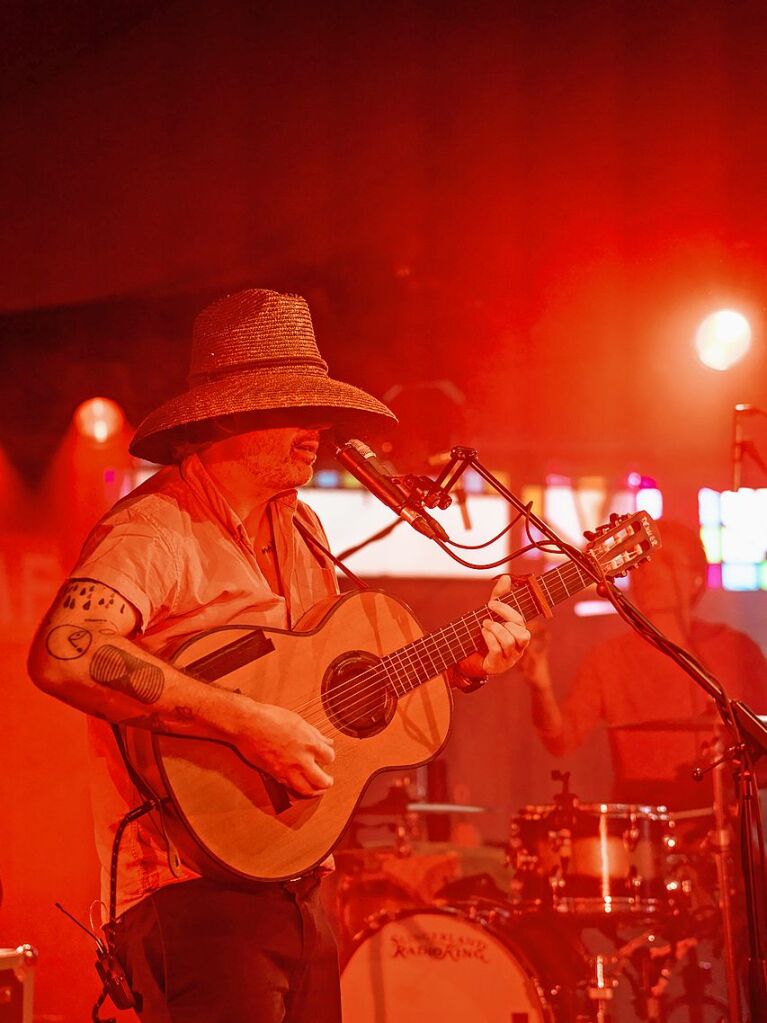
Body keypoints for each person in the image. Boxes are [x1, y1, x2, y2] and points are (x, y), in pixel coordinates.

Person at [27, 288, 531, 1023]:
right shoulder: (157, 527)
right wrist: (242, 722)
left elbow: (321, 695)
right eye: (295, 407)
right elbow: (66, 654)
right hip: (189, 892)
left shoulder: (305, 531)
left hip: (298, 877)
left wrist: (463, 666)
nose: (319, 429)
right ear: (230, 415)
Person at [522, 520, 767, 809]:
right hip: (641, 832)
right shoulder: (608, 658)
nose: (647, 571)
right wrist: (540, 685)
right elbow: (561, 741)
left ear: (695, 579)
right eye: (640, 563)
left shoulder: (735, 649)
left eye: (665, 562)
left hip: (721, 821)